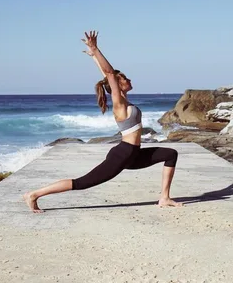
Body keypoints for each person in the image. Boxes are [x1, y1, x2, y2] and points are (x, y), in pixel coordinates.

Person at [23, 31, 182, 213]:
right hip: (123, 154)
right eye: (125, 79)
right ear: (117, 85)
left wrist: (94, 58)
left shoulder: (125, 101)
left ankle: (164, 198)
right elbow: (110, 74)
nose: (129, 79)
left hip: (133, 154)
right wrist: (96, 49)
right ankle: (34, 194)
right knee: (82, 183)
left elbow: (108, 75)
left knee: (170, 154)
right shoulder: (119, 104)